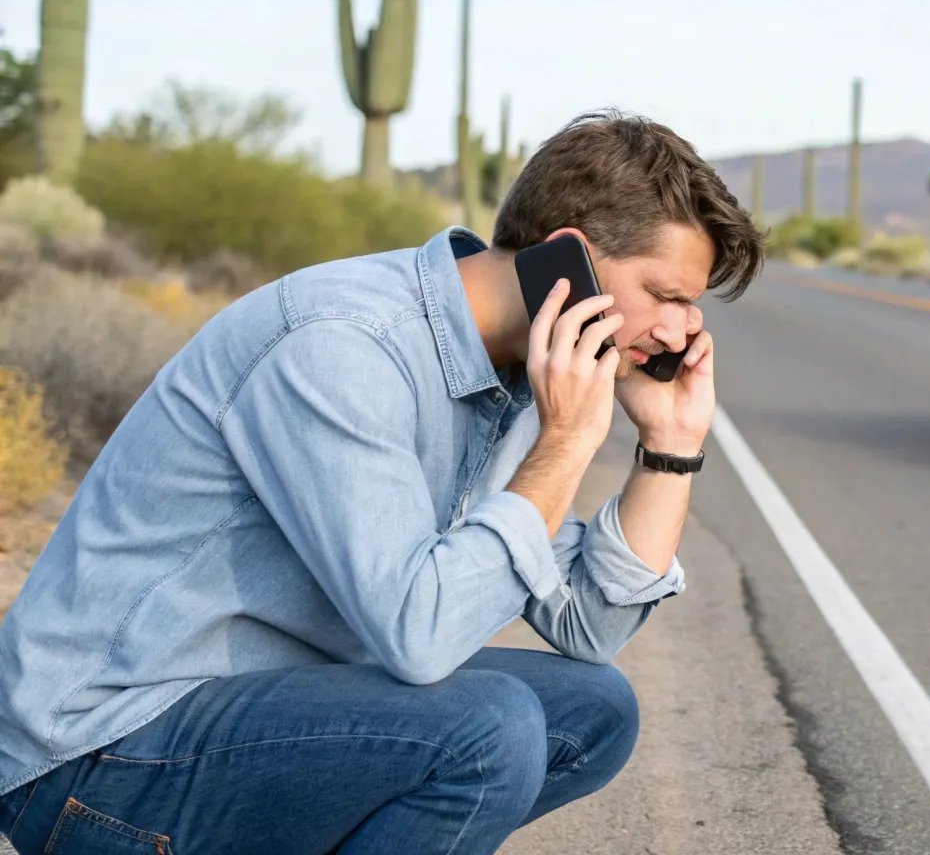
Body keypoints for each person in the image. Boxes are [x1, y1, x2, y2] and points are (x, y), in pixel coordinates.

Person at [0, 110, 765, 853]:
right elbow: (420, 639)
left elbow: (590, 630)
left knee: (591, 710)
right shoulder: (345, 347)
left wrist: (670, 444)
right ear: (567, 261)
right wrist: (566, 442)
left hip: (258, 704)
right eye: (665, 296)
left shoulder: (523, 372)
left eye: (690, 308)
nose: (679, 333)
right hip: (95, 749)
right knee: (486, 728)